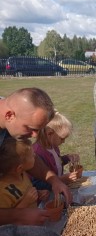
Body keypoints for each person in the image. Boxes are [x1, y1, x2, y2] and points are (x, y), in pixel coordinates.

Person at [0, 87, 72, 225]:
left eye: (38, 130)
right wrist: (17, 216)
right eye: (31, 129)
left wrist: (53, 180)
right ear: (9, 116)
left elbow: (27, 159)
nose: (36, 136)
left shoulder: (10, 117)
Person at [32, 111, 81, 191]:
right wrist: (61, 180)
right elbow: (37, 184)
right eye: (62, 138)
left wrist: (67, 158)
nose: (64, 141)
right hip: (49, 194)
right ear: (49, 133)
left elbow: (56, 161)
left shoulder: (53, 146)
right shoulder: (37, 153)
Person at [0, 138, 49, 209]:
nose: (35, 155)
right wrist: (25, 202)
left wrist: (38, 193)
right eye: (32, 155)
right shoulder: (2, 192)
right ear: (19, 168)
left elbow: (24, 192)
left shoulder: (22, 174)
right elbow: (7, 218)